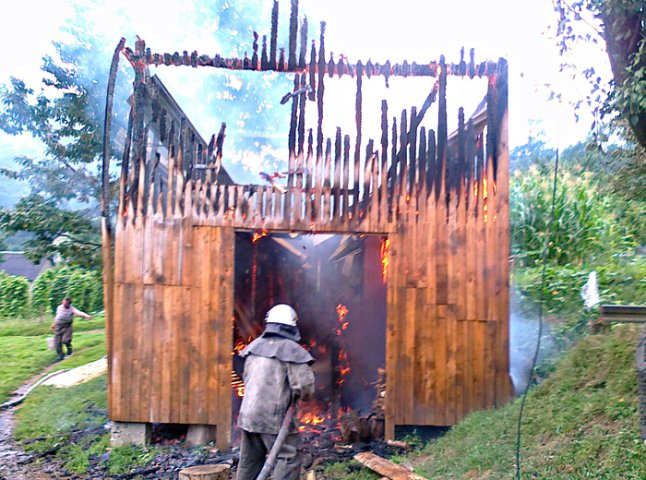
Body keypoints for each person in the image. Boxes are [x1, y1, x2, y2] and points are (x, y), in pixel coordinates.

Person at [236, 304, 315, 480]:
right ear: (291, 326)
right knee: (288, 458)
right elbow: (305, 388)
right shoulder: (291, 350)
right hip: (273, 419)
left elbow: (247, 378)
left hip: (248, 416)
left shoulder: (254, 347)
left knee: (250, 460)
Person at [50, 297, 91, 361]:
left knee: (66, 340)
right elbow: (57, 317)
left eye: (66, 304)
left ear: (69, 304)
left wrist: (86, 315)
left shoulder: (71, 308)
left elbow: (78, 312)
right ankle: (60, 355)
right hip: (59, 325)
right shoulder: (59, 307)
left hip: (67, 326)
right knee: (57, 342)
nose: (64, 304)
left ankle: (69, 348)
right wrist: (54, 324)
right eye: (64, 302)